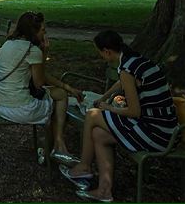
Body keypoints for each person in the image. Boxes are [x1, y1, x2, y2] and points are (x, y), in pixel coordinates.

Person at [60, 31, 178, 202]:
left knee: (93, 115)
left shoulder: (127, 69)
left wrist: (107, 107)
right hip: (165, 129)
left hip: (156, 133)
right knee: (98, 135)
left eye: (100, 52)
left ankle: (84, 167)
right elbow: (120, 84)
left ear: (107, 51)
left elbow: (134, 112)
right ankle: (104, 191)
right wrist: (103, 98)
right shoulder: (135, 60)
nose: (100, 56)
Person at [0, 12, 82, 165]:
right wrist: (44, 52)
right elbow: (39, 82)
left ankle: (54, 147)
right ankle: (58, 146)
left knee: (58, 95)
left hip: (0, 104)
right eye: (43, 30)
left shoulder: (9, 43)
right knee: (60, 98)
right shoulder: (31, 50)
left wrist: (67, 86)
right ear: (33, 32)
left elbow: (39, 76)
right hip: (19, 108)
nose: (45, 33)